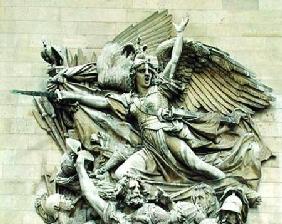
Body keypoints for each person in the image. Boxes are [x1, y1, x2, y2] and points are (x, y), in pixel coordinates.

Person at [56, 18, 226, 183]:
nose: (147, 74)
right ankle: (148, 192)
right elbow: (102, 102)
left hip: (166, 137)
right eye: (141, 71)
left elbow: (175, 59)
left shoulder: (160, 89)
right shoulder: (130, 100)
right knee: (121, 173)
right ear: (133, 75)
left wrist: (179, 34)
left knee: (197, 165)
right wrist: (70, 96)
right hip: (149, 150)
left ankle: (225, 182)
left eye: (149, 70)